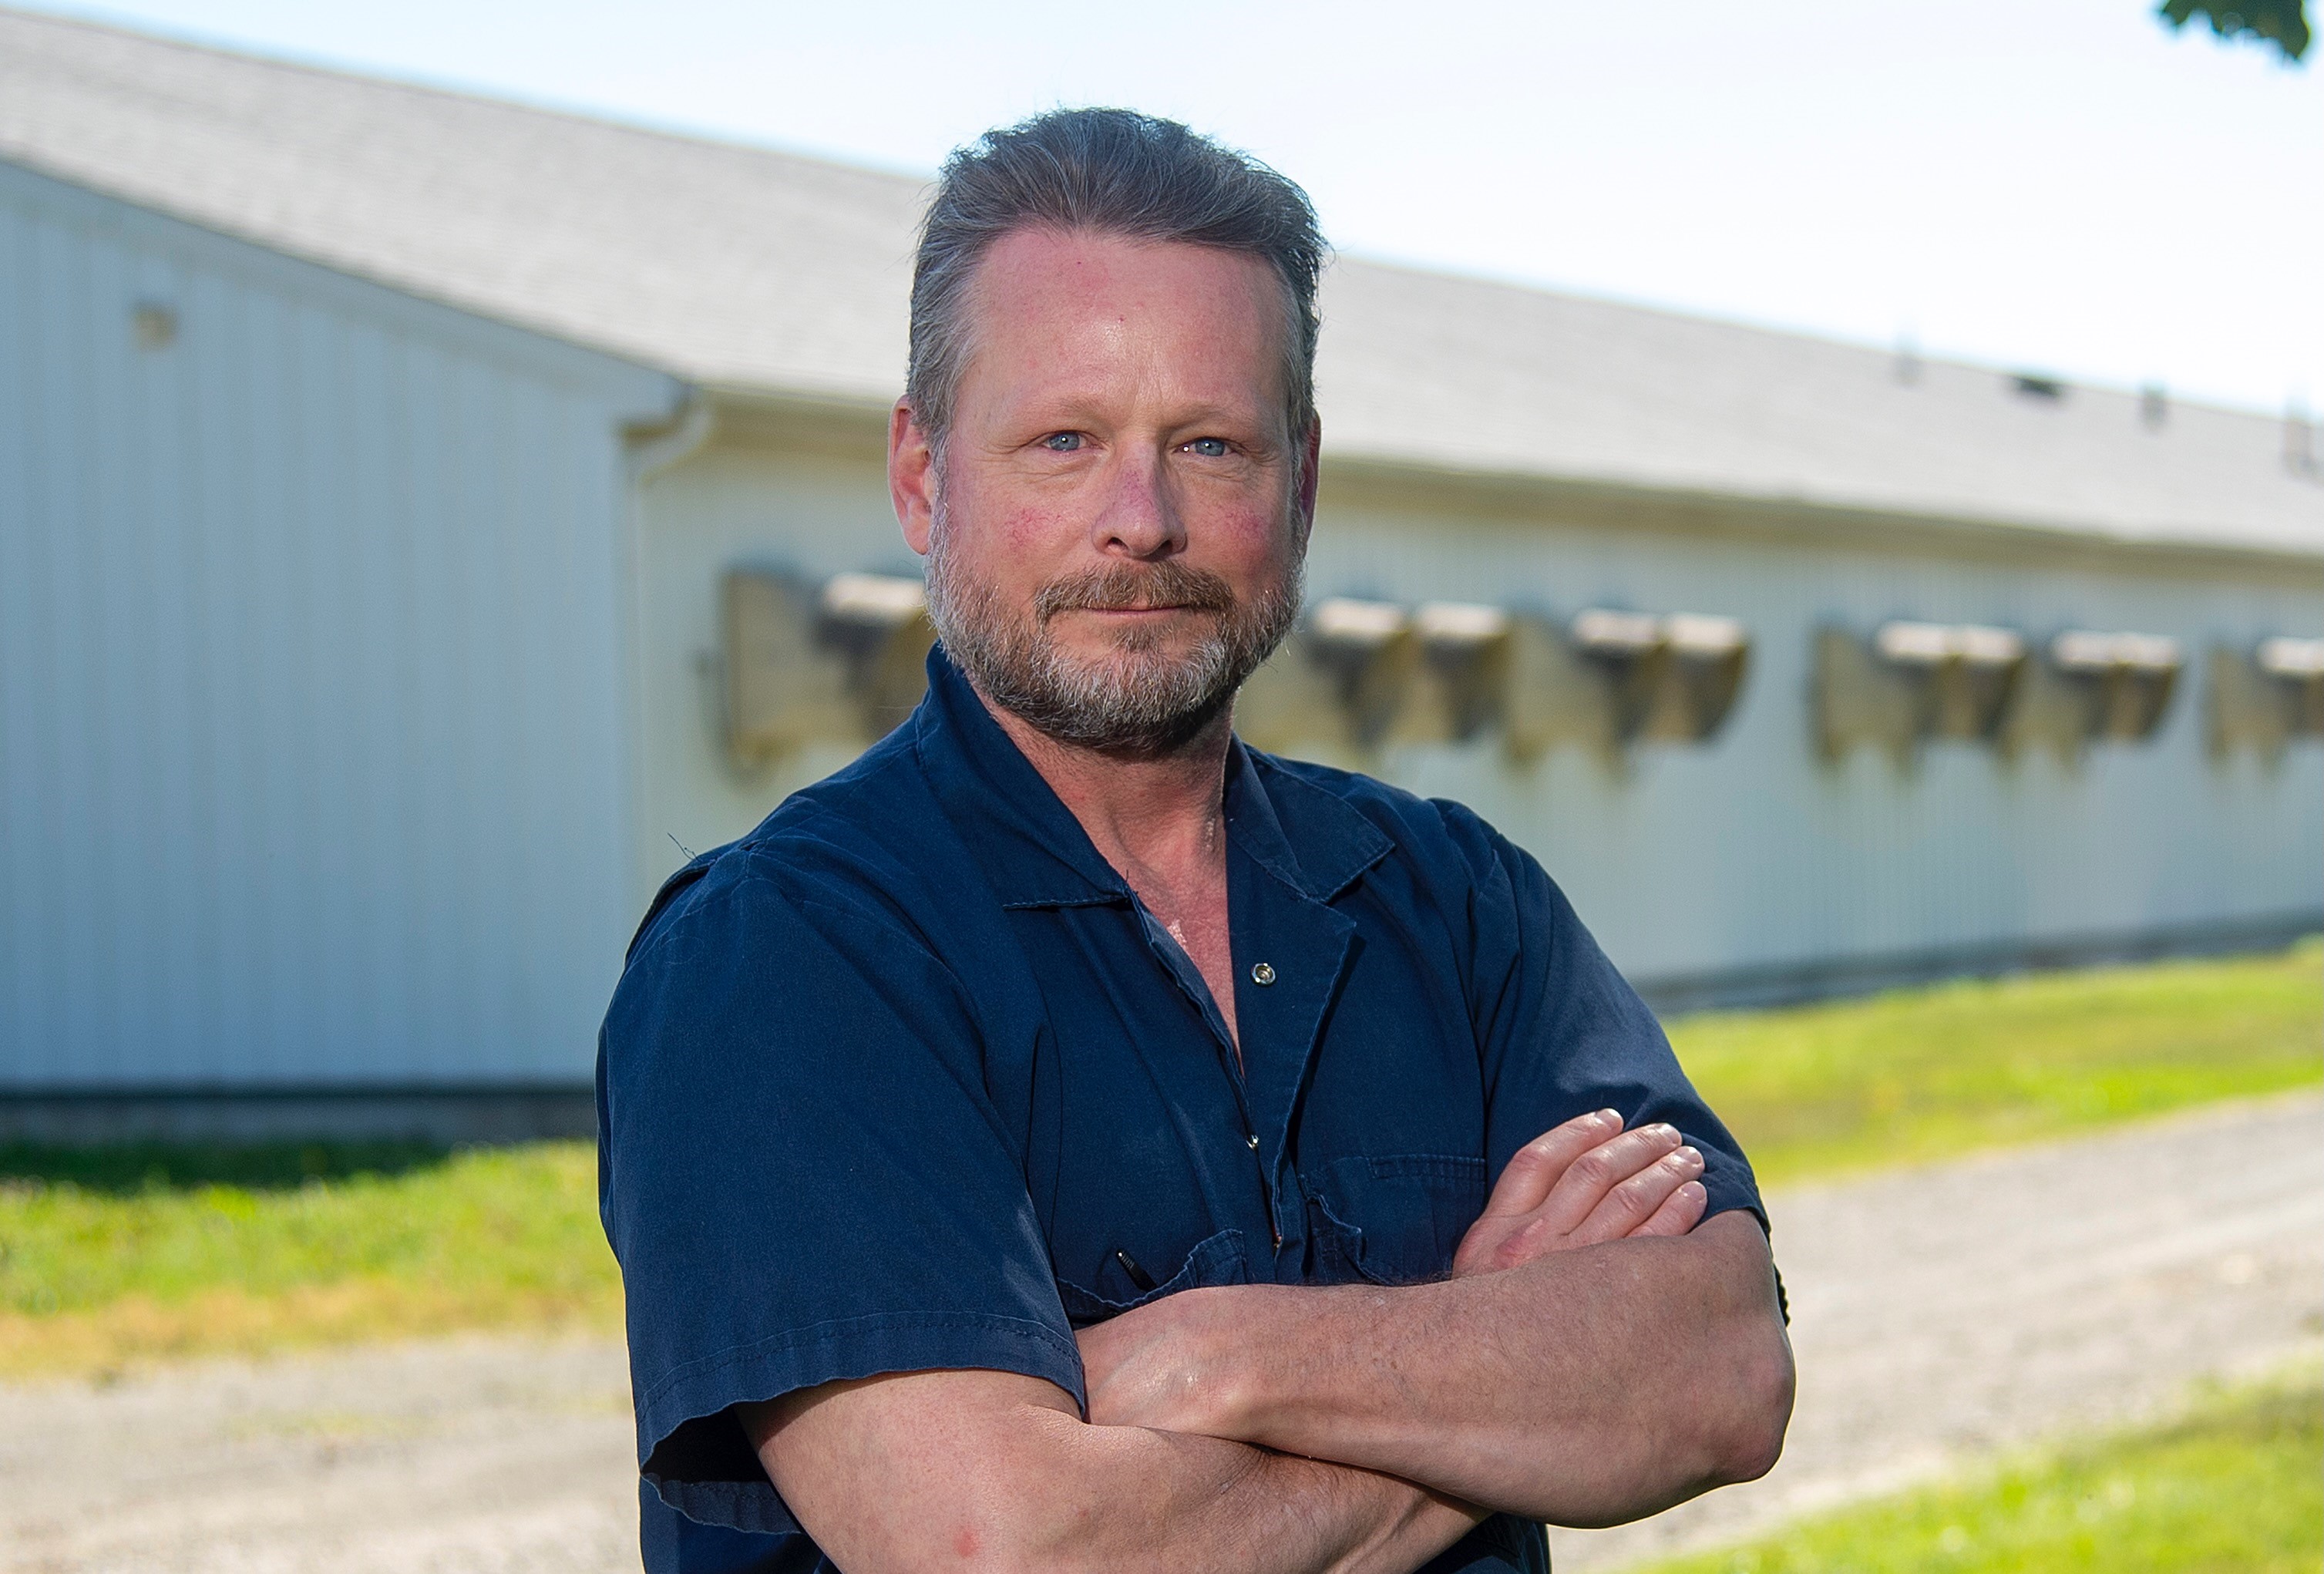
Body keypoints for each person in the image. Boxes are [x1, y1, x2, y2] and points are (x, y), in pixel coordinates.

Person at [598, 107, 1794, 1574]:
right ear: (922, 475)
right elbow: (1014, 1555)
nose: (1143, 520)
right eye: (1064, 439)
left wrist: (1223, 1354)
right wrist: (1490, 1371)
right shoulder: (785, 958)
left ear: (1300, 481)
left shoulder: (1459, 904)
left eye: (1210, 443)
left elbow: (1721, 1371)